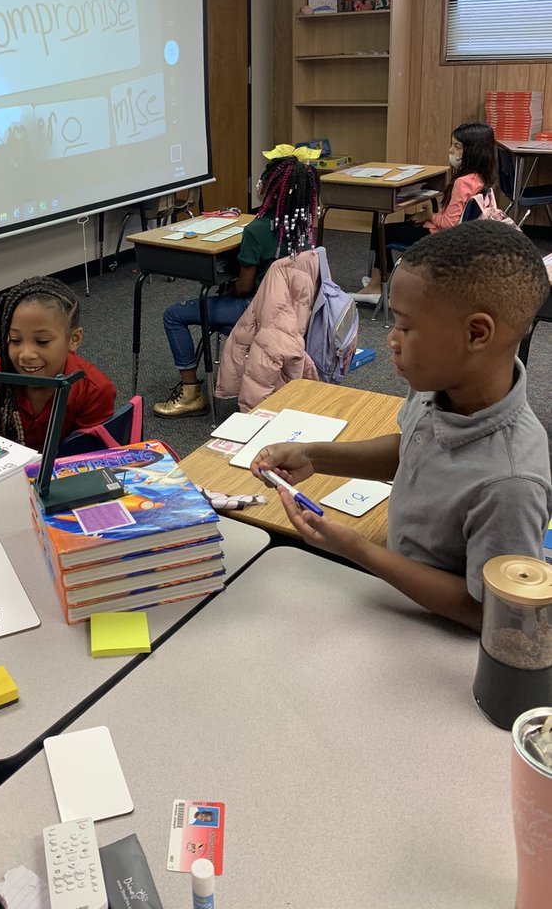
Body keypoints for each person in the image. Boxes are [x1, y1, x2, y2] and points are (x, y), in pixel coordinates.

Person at [251, 221, 551, 632]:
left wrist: (360, 550)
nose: (391, 340)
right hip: (396, 585)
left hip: (436, 632)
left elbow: (490, 613)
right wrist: (314, 455)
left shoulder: (510, 483)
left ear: (476, 333)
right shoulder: (439, 386)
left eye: (406, 327)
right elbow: (410, 450)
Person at [153, 152, 321, 418]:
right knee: (226, 317)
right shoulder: (304, 227)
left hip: (253, 309)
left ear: (269, 190)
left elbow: (243, 287)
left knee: (173, 315)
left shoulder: (256, 231)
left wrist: (226, 291)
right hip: (292, 314)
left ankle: (191, 392)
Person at [0, 276, 115, 450]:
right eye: (15, 340)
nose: (26, 354)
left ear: (74, 339)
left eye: (42, 341)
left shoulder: (94, 390)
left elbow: (88, 460)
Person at [356, 120, 496, 302]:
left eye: (457, 146)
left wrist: (430, 216)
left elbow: (451, 223)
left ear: (473, 151)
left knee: (382, 231)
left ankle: (376, 285)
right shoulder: (481, 178)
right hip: (458, 237)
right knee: (398, 227)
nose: (451, 151)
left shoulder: (463, 182)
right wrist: (430, 215)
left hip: (441, 238)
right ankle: (381, 279)